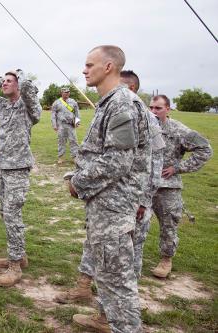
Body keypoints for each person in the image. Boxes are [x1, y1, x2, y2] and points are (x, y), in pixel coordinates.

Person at [66, 45, 150, 332]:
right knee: (108, 275)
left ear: (109, 67)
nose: (84, 70)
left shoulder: (122, 104)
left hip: (115, 207)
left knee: (117, 281)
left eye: (90, 65)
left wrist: (78, 182)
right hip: (105, 204)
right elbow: (100, 153)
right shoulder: (110, 102)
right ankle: (107, 322)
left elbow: (117, 161)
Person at [0, 69, 42, 287]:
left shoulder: (28, 106)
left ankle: (14, 267)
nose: (4, 84)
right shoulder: (2, 105)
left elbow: (31, 93)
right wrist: (0, 79)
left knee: (13, 215)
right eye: (3, 81)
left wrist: (20, 76)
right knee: (6, 213)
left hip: (19, 168)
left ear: (18, 85)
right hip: (3, 167)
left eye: (8, 82)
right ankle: (20, 255)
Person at [149, 94, 212, 278]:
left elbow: (205, 149)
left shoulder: (178, 130)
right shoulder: (144, 126)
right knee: (135, 222)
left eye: (158, 108)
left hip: (167, 186)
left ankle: (166, 259)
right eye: (151, 107)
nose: (154, 111)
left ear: (168, 109)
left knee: (169, 224)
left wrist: (178, 168)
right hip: (143, 184)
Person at [120, 70, 166, 280]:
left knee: (132, 251)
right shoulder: (120, 116)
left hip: (137, 200)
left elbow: (156, 165)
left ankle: (129, 301)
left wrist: (144, 201)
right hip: (120, 196)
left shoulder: (149, 120)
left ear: (130, 89)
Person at [51, 87, 80, 164]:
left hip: (71, 125)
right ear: (61, 93)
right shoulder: (56, 102)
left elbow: (77, 112)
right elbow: (53, 114)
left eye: (68, 92)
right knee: (61, 141)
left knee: (73, 141)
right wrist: (54, 125)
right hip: (61, 125)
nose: (67, 93)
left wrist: (77, 122)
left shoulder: (73, 102)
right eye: (65, 92)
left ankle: (75, 157)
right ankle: (61, 157)